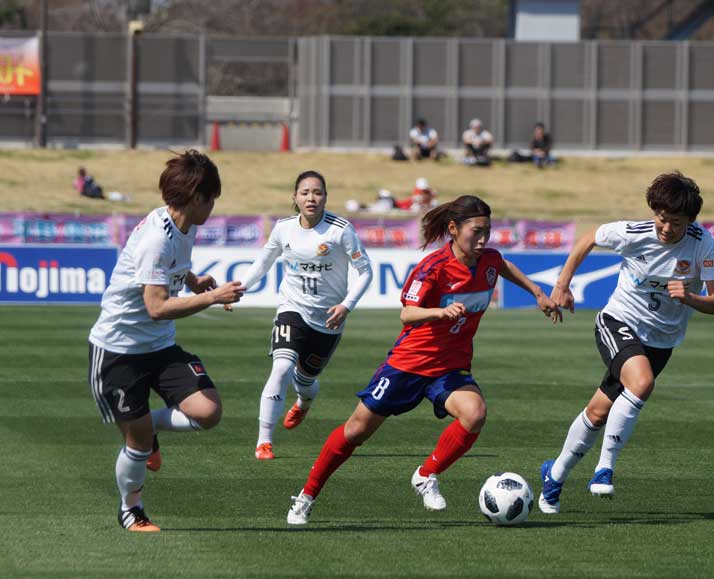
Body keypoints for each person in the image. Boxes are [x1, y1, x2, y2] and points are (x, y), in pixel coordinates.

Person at [285, 195, 560, 526]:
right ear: (454, 229)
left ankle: (426, 474)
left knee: (475, 414)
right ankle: (306, 496)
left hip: (450, 366)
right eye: (476, 231)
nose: (483, 239)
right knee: (356, 431)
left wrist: (538, 293)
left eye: (487, 231)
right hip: (409, 364)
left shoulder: (488, 259)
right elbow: (406, 313)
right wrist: (439, 312)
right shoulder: (433, 267)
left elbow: (502, 265)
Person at [538, 171, 714, 514]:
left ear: (691, 220)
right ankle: (604, 468)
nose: (667, 228)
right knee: (642, 383)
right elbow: (588, 239)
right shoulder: (633, 233)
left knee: (597, 411)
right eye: (662, 218)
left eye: (676, 223)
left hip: (662, 340)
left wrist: (689, 298)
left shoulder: (703, 244)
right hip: (618, 321)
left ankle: (554, 476)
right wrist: (562, 284)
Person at [87, 150, 246, 532]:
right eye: (212, 199)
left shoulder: (181, 224)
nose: (213, 207)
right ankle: (131, 509)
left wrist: (192, 281)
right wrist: (212, 297)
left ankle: (146, 426)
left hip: (158, 347)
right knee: (138, 444)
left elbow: (172, 267)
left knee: (208, 413)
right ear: (196, 199)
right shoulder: (156, 239)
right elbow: (156, 307)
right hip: (119, 352)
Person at [239, 170, 373, 461]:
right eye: (305, 192)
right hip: (292, 308)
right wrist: (240, 288)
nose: (311, 197)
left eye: (317, 192)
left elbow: (365, 271)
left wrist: (346, 305)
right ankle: (264, 442)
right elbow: (263, 262)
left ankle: (304, 400)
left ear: (325, 196)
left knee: (305, 378)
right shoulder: (284, 228)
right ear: (295, 197)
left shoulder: (340, 230)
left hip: (328, 318)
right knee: (281, 369)